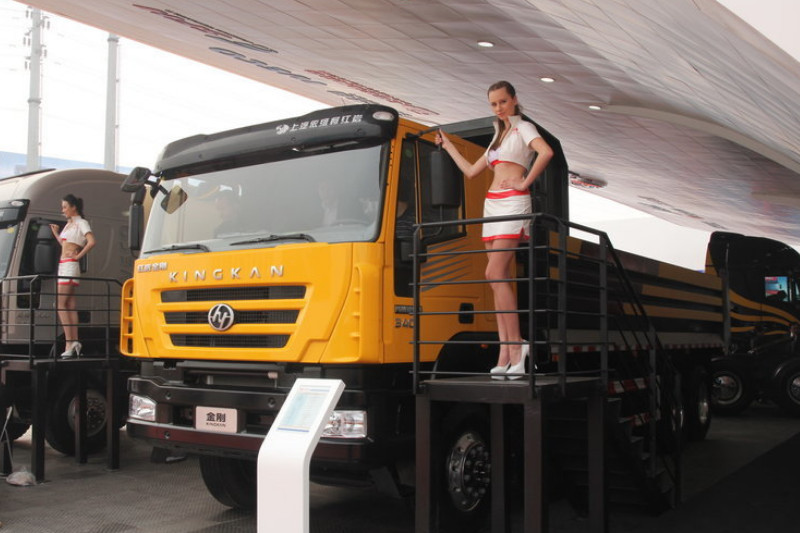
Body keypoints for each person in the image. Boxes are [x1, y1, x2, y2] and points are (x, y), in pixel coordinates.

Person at [436, 80, 553, 379]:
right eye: (493, 103)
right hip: (492, 205)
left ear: (513, 99)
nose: (499, 107)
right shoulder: (497, 135)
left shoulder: (524, 127)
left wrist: (525, 182)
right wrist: (448, 145)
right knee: (498, 280)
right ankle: (505, 351)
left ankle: (518, 346)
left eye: (503, 101)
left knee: (494, 273)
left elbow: (546, 153)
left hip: (513, 202)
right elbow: (471, 172)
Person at [49, 194, 95, 358]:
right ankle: (73, 341)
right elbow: (65, 245)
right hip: (64, 264)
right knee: (69, 304)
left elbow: (91, 241)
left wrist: (78, 256)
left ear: (73, 207)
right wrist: (56, 233)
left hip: (69, 265)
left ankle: (70, 342)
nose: (63, 210)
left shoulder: (81, 222)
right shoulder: (70, 224)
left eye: (65, 207)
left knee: (61, 303)